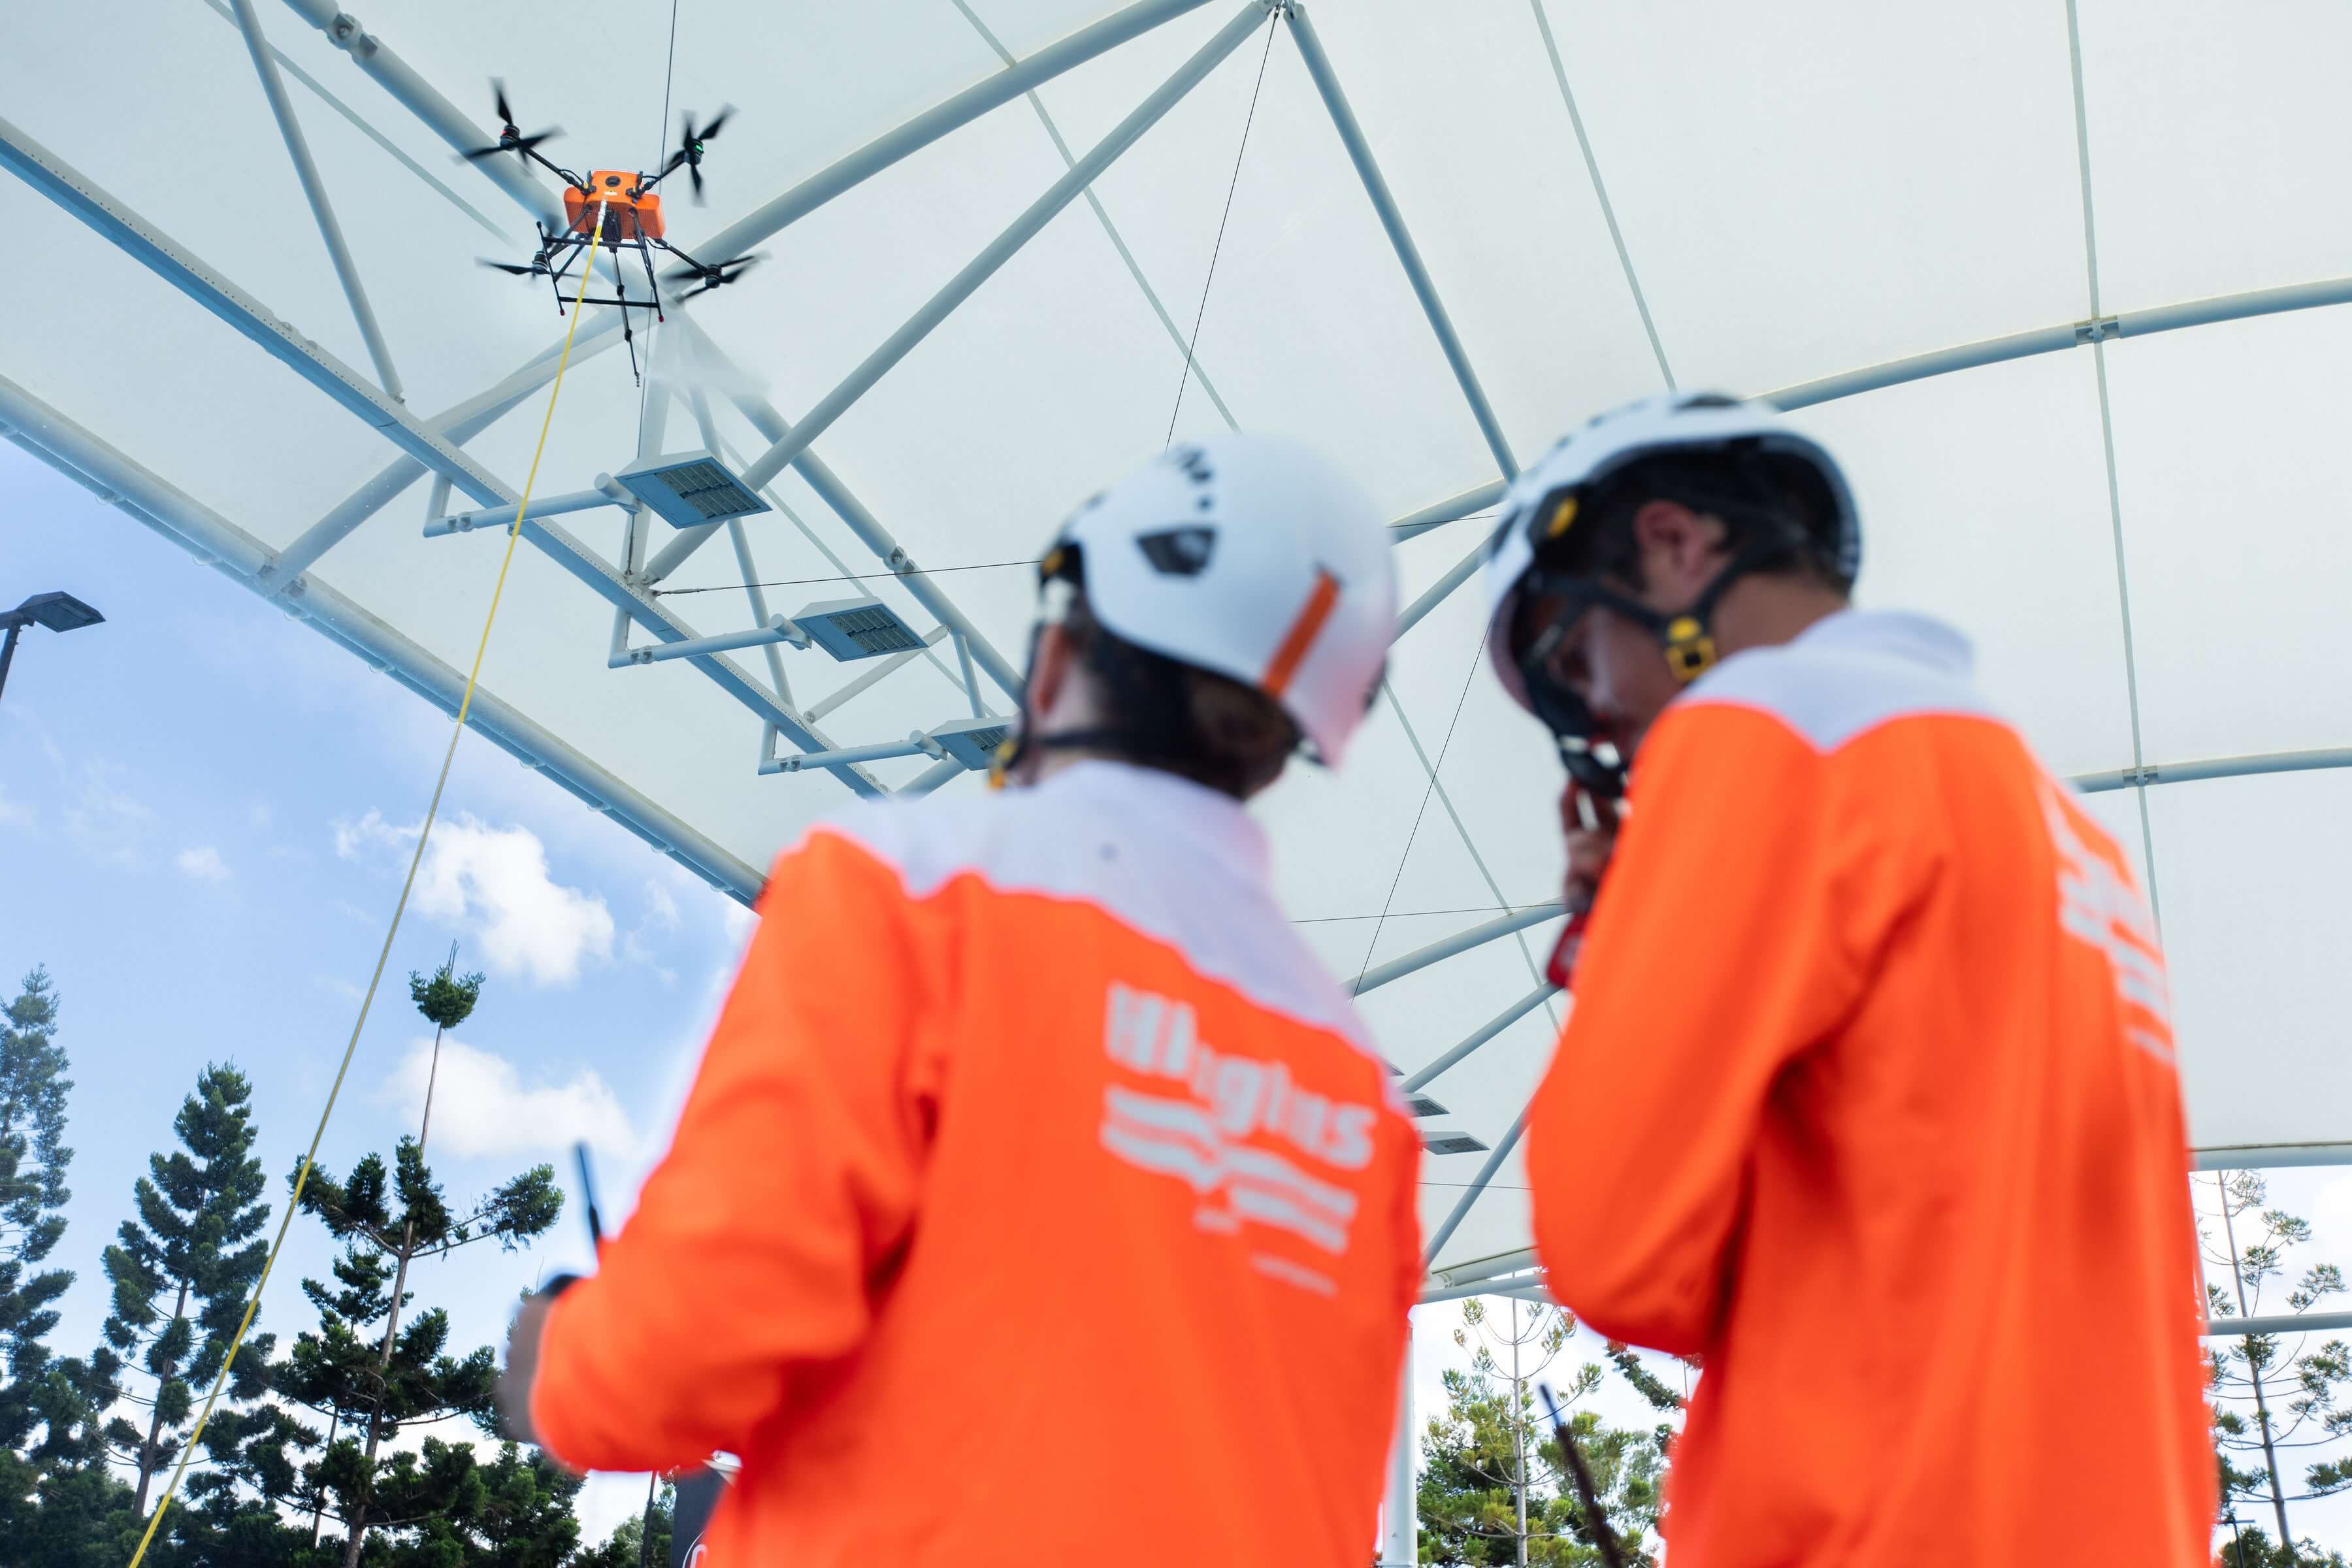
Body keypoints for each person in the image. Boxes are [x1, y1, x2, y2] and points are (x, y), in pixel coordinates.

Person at [498, 433, 1419, 1566]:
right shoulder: (1359, 1086)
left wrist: (564, 1359)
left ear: (1060, 651)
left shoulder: (910, 889)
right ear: (1287, 748)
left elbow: (681, 1360)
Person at [1482, 393, 2213, 1564]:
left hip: (1877, 1524)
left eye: (1579, 657)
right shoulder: (2059, 823)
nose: (1606, 721)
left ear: (1674, 544)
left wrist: (1623, 950)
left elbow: (1616, 1247)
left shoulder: (1760, 738)